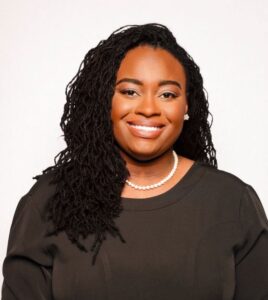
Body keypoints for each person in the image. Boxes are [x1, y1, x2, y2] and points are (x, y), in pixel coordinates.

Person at [1, 23, 268, 300]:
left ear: (186, 105)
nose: (149, 109)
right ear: (105, 100)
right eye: (130, 91)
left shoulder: (232, 202)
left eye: (167, 94)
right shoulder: (48, 202)